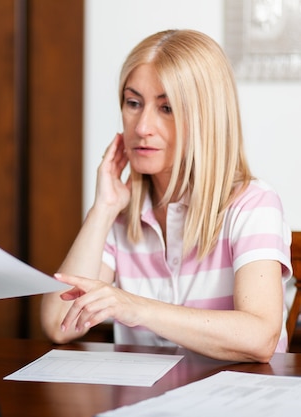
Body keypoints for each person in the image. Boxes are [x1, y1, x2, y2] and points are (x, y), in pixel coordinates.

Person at [40, 29, 291, 363]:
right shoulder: (120, 215)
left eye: (167, 108)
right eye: (133, 103)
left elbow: (260, 338)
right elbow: (58, 324)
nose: (142, 126)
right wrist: (102, 209)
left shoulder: (253, 204)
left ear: (207, 119)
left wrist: (135, 307)